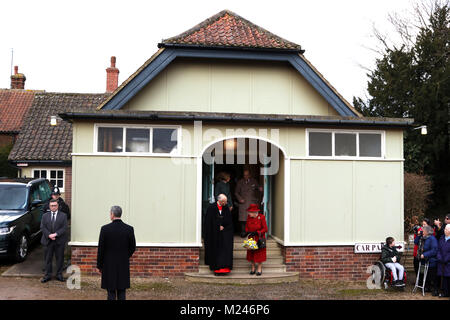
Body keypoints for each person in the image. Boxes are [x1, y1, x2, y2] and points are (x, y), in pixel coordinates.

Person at [96, 205, 136, 300]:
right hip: (123, 263)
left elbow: (101, 249)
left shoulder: (105, 229)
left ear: (112, 214)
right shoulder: (129, 229)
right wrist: (125, 256)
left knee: (111, 291)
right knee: (122, 291)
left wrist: (99, 265)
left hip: (108, 264)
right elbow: (133, 247)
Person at [204, 194, 234, 276]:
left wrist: (223, 226)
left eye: (226, 201)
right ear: (220, 201)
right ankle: (216, 269)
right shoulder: (211, 208)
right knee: (216, 252)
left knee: (225, 251)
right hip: (214, 235)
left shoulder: (226, 208)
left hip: (224, 235)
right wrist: (217, 226)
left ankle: (225, 269)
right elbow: (208, 222)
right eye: (224, 201)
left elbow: (229, 220)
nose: (226, 203)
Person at [40, 199, 68, 283]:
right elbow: (42, 227)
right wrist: (49, 235)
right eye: (52, 206)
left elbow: (64, 228)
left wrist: (55, 234)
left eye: (55, 205)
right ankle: (48, 275)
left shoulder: (63, 216)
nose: (53, 207)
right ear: (49, 206)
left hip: (59, 240)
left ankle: (59, 275)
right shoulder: (45, 216)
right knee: (48, 259)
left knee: (59, 259)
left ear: (58, 206)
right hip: (47, 240)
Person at [235, 169, 262, 237]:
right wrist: (240, 199)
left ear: (250, 175)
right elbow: (236, 192)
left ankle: (251, 233)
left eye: (247, 175)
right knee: (243, 219)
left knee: (251, 219)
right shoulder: (240, 182)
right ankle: (243, 233)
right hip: (243, 203)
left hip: (251, 203)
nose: (245, 176)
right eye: (244, 175)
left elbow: (258, 188)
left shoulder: (254, 181)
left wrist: (260, 189)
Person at [415, 225, 439, 296]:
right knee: (425, 275)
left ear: (427, 232)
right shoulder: (423, 237)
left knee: (433, 276)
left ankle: (435, 289)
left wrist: (425, 254)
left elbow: (434, 250)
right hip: (424, 260)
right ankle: (427, 287)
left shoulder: (432, 239)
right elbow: (416, 242)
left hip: (431, 261)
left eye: (423, 230)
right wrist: (418, 235)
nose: (422, 231)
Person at [245, 204, 268, 276]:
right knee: (251, 253)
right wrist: (246, 232)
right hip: (251, 238)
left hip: (259, 238)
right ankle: (252, 267)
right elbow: (247, 227)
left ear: (255, 212)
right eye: (249, 212)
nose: (249, 213)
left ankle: (259, 268)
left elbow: (265, 229)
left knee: (259, 253)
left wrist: (257, 232)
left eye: (250, 212)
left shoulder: (261, 217)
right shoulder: (249, 217)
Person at [436, 224, 450, 298]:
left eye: (446, 229)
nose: (444, 230)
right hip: (441, 262)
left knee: (448, 278)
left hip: (448, 262)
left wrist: (446, 259)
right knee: (443, 277)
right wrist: (439, 257)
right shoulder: (441, 238)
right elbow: (438, 249)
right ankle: (445, 292)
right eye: (444, 229)